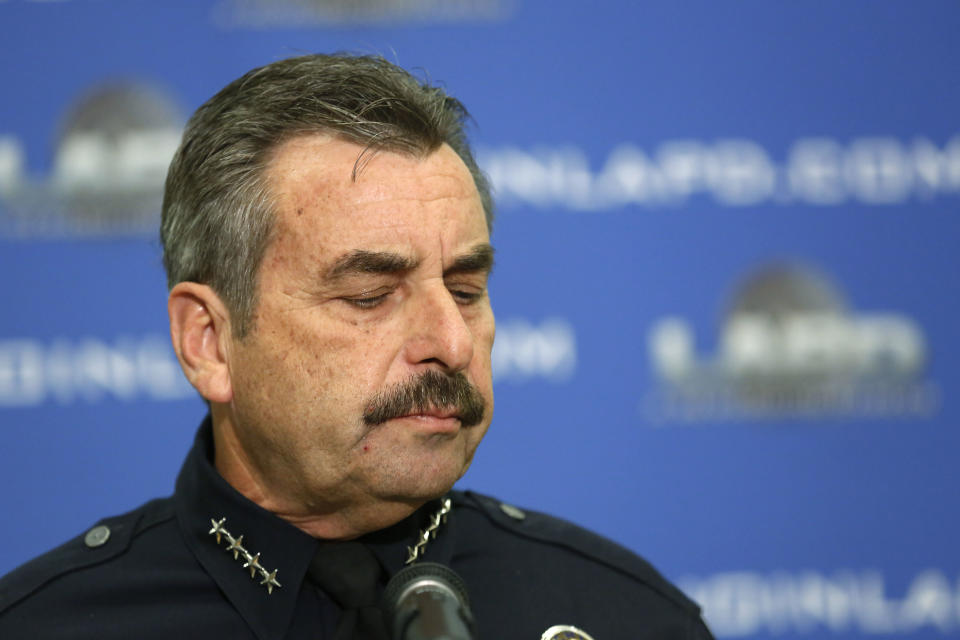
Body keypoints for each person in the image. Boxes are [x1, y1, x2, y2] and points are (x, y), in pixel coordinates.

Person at [0, 53, 712, 640]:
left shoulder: (624, 615)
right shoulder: (49, 625)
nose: (451, 342)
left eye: (465, 290)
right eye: (371, 295)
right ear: (209, 342)